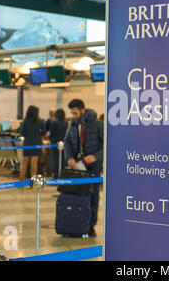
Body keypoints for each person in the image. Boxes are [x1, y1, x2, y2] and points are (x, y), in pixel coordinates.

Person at [64, 99, 103, 237]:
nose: (73, 116)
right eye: (72, 113)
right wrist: (69, 157)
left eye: (75, 113)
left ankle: (90, 225)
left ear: (83, 110)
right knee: (77, 194)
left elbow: (106, 145)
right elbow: (67, 141)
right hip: (78, 166)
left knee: (92, 195)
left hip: (93, 167)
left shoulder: (97, 124)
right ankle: (77, 223)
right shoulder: (73, 124)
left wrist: (96, 156)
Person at [18, 106, 46, 180]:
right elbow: (44, 132)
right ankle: (33, 183)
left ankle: (21, 182)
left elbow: (22, 132)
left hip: (27, 143)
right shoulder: (40, 121)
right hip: (37, 143)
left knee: (24, 165)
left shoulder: (25, 121)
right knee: (34, 166)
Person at [48, 109, 68, 178]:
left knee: (55, 159)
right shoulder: (66, 122)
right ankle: (62, 175)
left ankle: (56, 175)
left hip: (55, 142)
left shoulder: (54, 122)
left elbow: (51, 133)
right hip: (63, 142)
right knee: (62, 160)